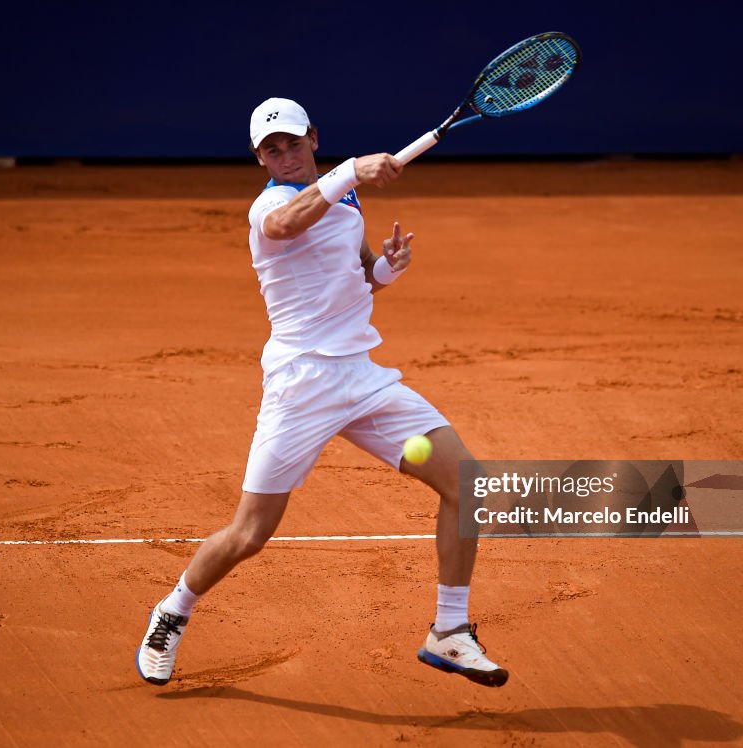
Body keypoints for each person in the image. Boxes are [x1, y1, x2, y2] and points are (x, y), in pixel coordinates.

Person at [136, 97, 508, 688]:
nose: (283, 156)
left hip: (360, 377)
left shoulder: (345, 199)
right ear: (259, 159)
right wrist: (350, 170)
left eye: (291, 143)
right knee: (249, 534)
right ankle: (172, 611)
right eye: (270, 150)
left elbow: (356, 273)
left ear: (313, 138)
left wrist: (386, 269)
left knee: (468, 486)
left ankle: (450, 631)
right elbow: (290, 223)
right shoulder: (270, 208)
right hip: (300, 385)